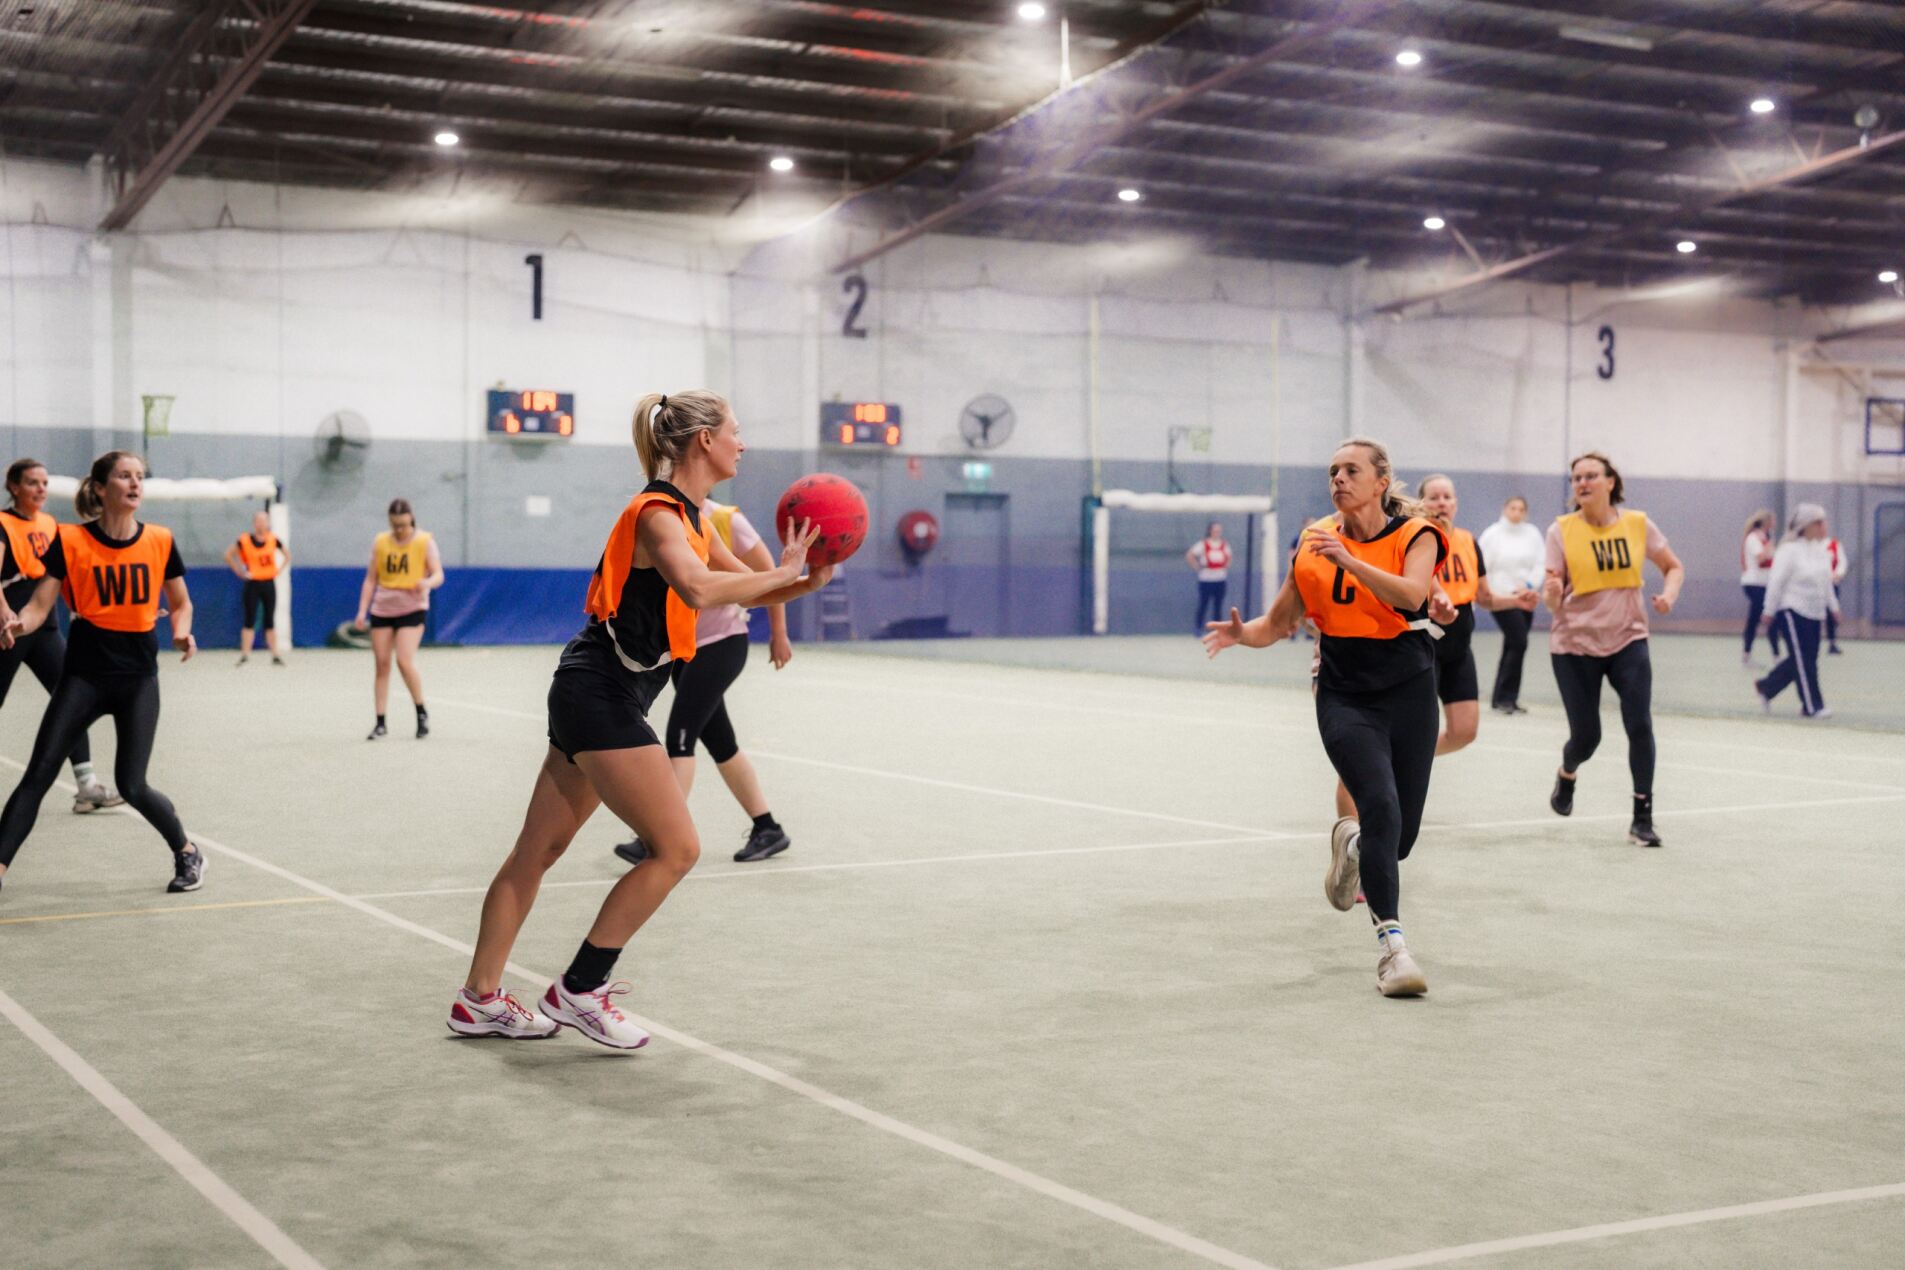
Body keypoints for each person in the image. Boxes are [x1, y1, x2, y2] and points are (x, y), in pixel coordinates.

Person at [448, 390, 831, 1047]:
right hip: (601, 693)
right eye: (735, 431)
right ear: (704, 440)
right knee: (677, 848)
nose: (742, 444)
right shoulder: (657, 515)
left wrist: (809, 578)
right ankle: (579, 989)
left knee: (537, 851)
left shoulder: (695, 519)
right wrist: (782, 576)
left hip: (598, 691)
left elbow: (750, 585)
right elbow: (700, 589)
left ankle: (478, 1000)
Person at [1204, 437, 1446, 998]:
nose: (1338, 478)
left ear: (1381, 482)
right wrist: (1244, 634)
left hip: (1410, 692)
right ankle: (1394, 951)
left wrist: (1352, 562)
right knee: (1379, 806)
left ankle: (1354, 847)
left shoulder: (1416, 535)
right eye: (1333, 471)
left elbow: (1413, 596)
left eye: (1351, 470)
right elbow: (1277, 623)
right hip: (1345, 694)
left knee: (1398, 840)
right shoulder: (1314, 545)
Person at [0, 451, 203, 897]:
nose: (135, 484)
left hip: (138, 681)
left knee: (132, 785)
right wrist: (18, 624)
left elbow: (181, 602)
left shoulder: (161, 540)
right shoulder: (70, 540)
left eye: (139, 477)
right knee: (38, 775)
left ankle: (187, 851)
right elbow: (39, 606)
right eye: (124, 476)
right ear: (100, 487)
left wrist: (182, 631)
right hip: (84, 677)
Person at [611, 496, 796, 867]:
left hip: (722, 644)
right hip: (685, 649)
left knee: (680, 737)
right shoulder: (662, 517)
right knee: (722, 744)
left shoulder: (725, 520)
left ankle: (657, 836)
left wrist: (779, 632)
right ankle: (768, 827)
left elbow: (766, 575)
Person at [1542, 451, 1684, 848]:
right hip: (1574, 645)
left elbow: (1673, 566)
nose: (1582, 483)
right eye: (1576, 478)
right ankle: (1567, 772)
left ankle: (1642, 818)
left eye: (1591, 476)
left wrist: (1669, 595)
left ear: (1610, 482)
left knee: (1639, 724)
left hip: (1628, 639)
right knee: (1587, 738)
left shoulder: (1637, 524)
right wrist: (1550, 593)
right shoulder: (1561, 531)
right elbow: (1552, 601)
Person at [0, 459, 123, 813]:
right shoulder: (3, 524)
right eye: (32, 483)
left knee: (72, 699)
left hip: (45, 625)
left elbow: (62, 577)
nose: (41, 489)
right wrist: (3, 611)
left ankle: (87, 787)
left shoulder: (50, 524)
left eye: (44, 482)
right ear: (14, 487)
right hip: (11, 624)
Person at [353, 498, 441, 740]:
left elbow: (438, 574)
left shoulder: (424, 541)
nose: (400, 530)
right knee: (382, 664)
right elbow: (371, 579)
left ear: (411, 519)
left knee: (403, 660)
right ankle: (380, 722)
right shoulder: (381, 542)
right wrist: (362, 610)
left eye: (403, 525)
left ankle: (421, 711)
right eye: (395, 525)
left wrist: (426, 582)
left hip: (412, 608)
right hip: (383, 608)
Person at [1754, 504, 1838, 719]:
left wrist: (1833, 607)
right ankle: (1812, 706)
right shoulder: (1789, 550)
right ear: (1806, 525)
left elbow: (1826, 582)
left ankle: (1766, 687)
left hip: (1814, 612)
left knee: (1803, 658)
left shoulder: (1821, 550)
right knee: (1804, 660)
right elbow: (1776, 582)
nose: (1823, 526)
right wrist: (1769, 610)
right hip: (1792, 610)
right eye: (1818, 522)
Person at [1475, 494, 1544, 714]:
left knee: (1513, 645)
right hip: (1500, 598)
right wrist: (1489, 593)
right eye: (1513, 508)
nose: (1517, 513)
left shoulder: (1532, 534)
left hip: (1525, 598)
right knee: (1519, 642)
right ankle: (1505, 697)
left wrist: (1529, 585)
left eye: (1521, 509)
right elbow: (1481, 566)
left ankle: (1503, 699)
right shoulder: (1492, 534)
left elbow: (1540, 563)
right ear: (1505, 509)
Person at [224, 508, 288, 666]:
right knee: (249, 618)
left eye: (264, 520)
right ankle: (245, 654)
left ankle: (275, 654)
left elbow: (287, 555)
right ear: (254, 523)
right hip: (252, 583)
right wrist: (239, 571)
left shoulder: (273, 539)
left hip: (268, 583)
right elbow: (228, 555)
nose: (261, 524)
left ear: (268, 523)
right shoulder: (244, 540)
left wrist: (278, 570)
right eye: (258, 521)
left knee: (269, 620)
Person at [1740, 509, 1778, 665]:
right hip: (1753, 583)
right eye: (1773, 520)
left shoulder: (1766, 538)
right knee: (1768, 617)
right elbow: (1760, 558)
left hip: (1765, 584)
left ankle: (1748, 654)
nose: (1775, 523)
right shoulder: (1753, 538)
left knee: (1756, 618)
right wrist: (1769, 546)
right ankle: (1775, 656)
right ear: (1766, 522)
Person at [1186, 521, 1231, 634]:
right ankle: (1198, 628)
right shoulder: (1203, 544)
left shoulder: (1224, 544)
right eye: (1215, 530)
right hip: (1206, 580)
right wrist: (1196, 566)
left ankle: (1218, 629)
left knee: (1218, 606)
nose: (1217, 533)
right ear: (1210, 531)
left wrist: (1225, 567)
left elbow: (1229, 557)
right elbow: (1190, 555)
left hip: (1220, 579)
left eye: (1219, 531)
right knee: (1203, 604)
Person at [1826, 533, 1848, 654]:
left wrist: (1837, 574)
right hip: (1813, 588)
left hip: (1832, 584)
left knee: (1831, 615)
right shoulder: (1808, 546)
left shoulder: (1834, 544)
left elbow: (1842, 562)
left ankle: (1832, 642)